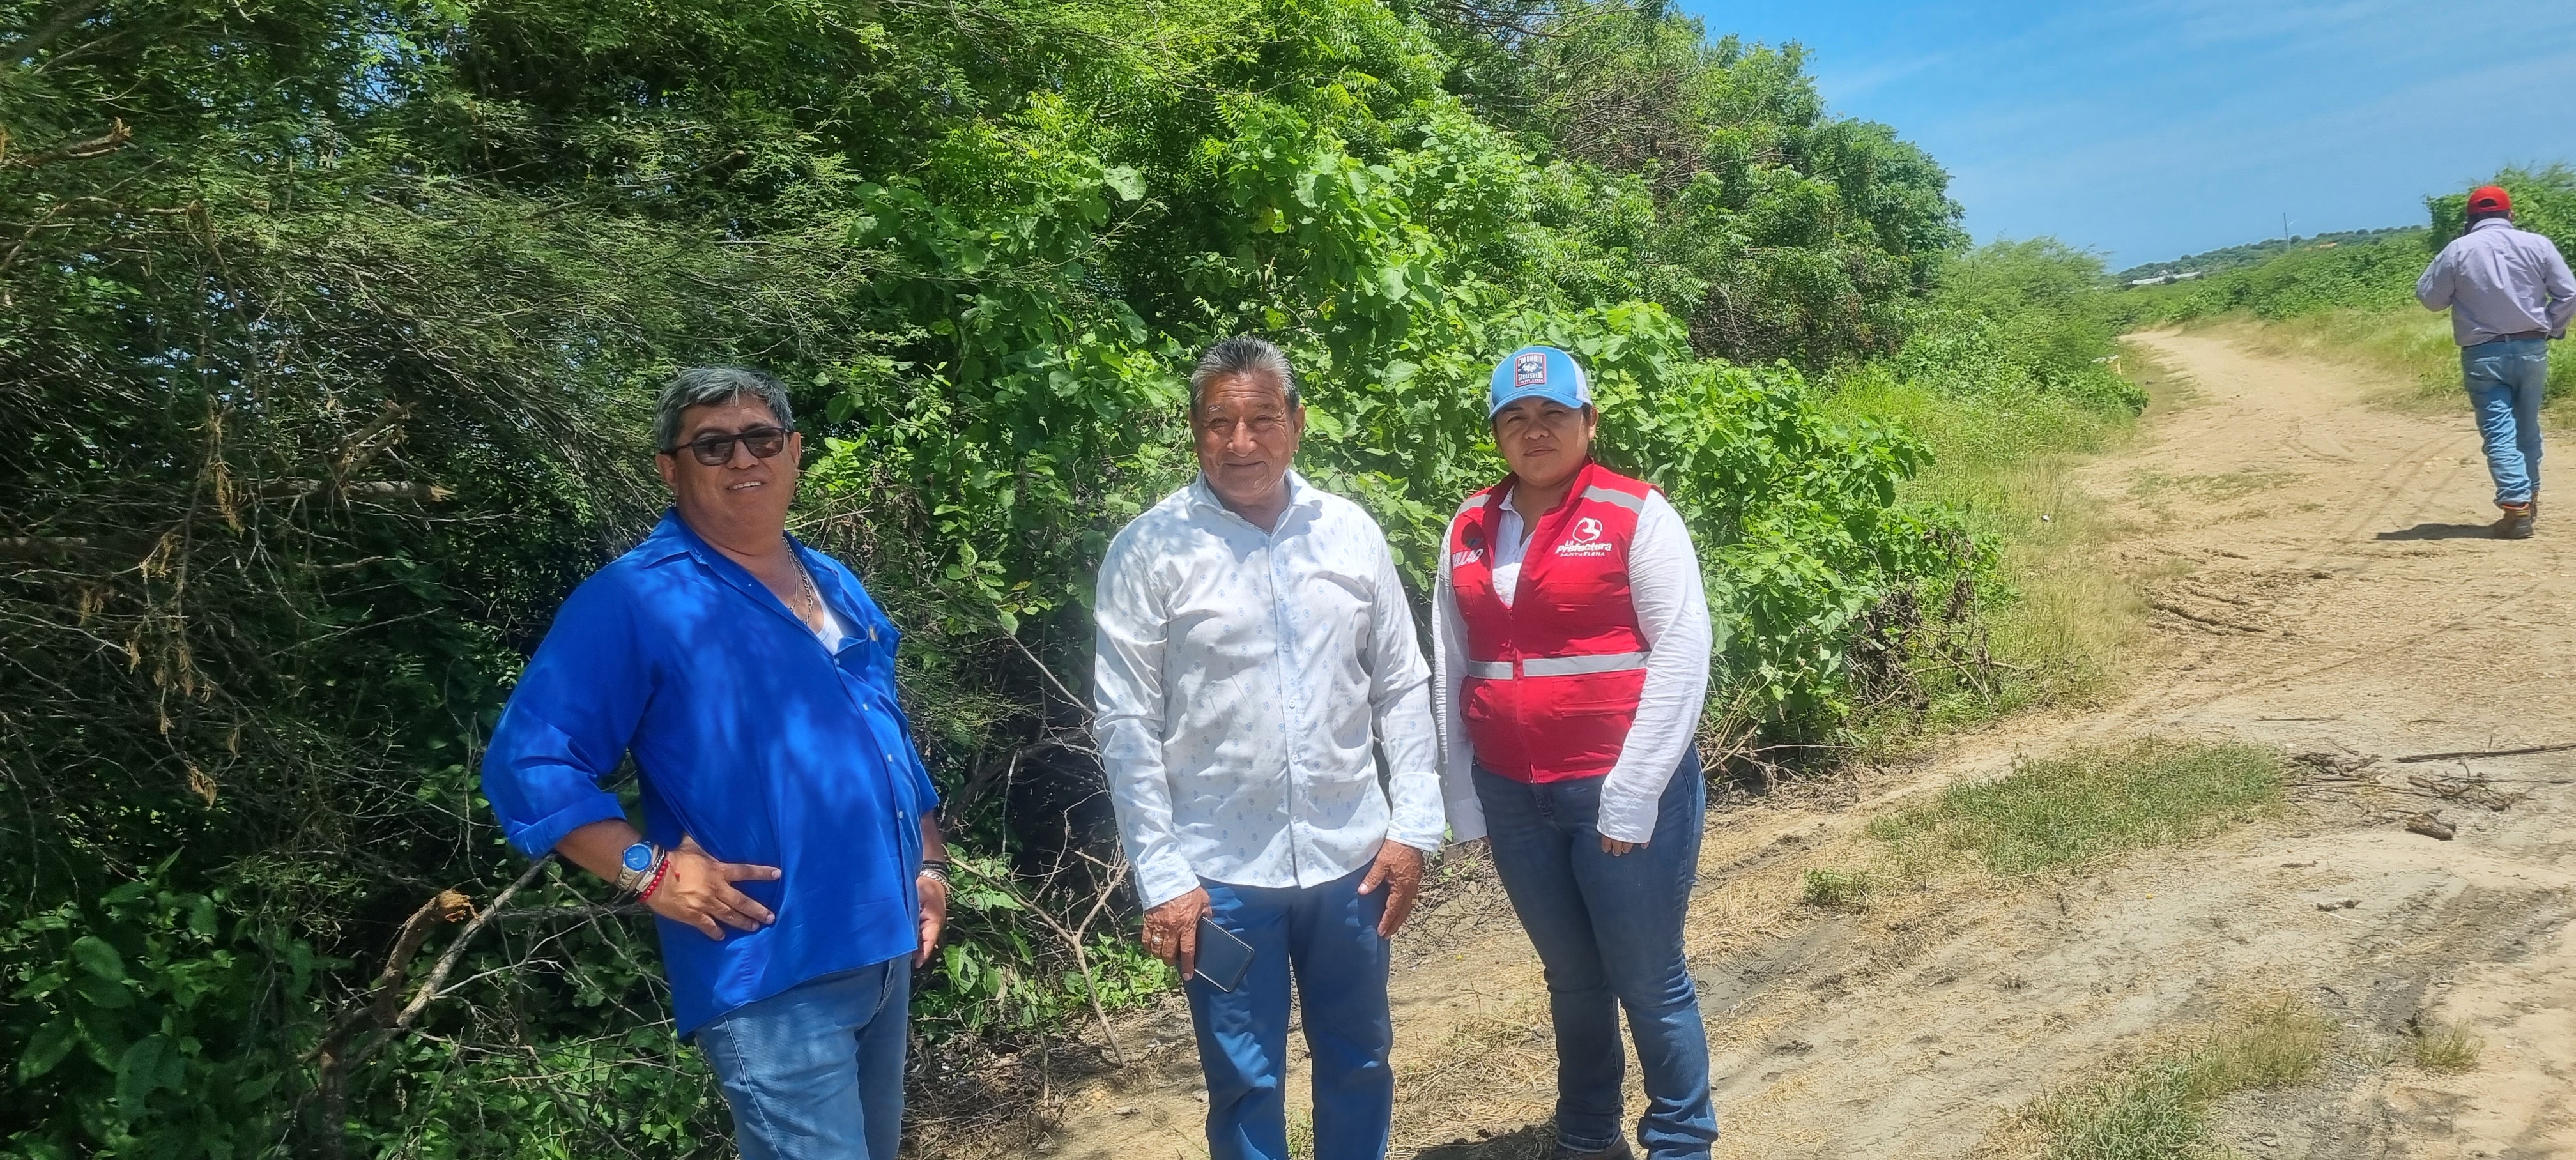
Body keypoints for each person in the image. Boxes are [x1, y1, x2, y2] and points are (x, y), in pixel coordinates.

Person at [481, 367, 948, 1160]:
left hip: (885, 947)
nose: (742, 458)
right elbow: (530, 760)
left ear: (794, 450)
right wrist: (649, 872)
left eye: (760, 437)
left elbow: (889, 737)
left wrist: (930, 866)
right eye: (712, 445)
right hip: (771, 970)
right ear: (671, 468)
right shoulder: (633, 599)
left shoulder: (833, 580)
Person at [1092, 335, 1444, 1160]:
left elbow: (1402, 683)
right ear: (1194, 430)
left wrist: (1413, 827)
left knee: (1361, 1058)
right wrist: (1164, 877)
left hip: (1352, 862)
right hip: (1219, 879)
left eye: (1261, 419)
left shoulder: (1349, 534)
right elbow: (1126, 723)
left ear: (1298, 422)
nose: (1241, 442)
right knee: (1244, 1079)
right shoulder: (1148, 549)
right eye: (1221, 422)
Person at [1431, 346, 1717, 1160]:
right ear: (1497, 434)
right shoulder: (1469, 525)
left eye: (1554, 414)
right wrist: (1462, 798)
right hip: (1514, 795)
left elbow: (1683, 651)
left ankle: (1681, 1141)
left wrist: (1632, 792)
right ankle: (1589, 1136)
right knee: (1572, 978)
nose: (1536, 431)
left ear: (1589, 422)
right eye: (1515, 418)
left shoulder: (1636, 513)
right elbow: (1451, 661)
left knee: (1648, 978)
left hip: (1621, 787)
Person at [2416, 183, 2575, 539]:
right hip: (2532, 347)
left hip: (2484, 353)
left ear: (2470, 219)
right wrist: (2552, 327)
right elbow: (2570, 293)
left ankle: (2516, 506)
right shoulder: (2539, 244)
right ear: (2511, 214)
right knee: (2527, 427)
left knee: (2500, 430)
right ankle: (2530, 498)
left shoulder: (2459, 249)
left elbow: (2431, 299)